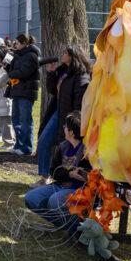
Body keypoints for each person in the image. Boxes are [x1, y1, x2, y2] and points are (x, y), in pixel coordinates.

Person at [23, 111, 89, 238]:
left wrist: (82, 173)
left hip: (78, 190)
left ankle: (78, 230)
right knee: (31, 198)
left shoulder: (87, 150)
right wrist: (69, 174)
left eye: (66, 126)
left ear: (71, 132)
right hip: (61, 185)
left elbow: (93, 174)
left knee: (55, 201)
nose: (63, 128)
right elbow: (54, 171)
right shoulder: (64, 147)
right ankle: (70, 226)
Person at [33, 46, 91, 187]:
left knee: (67, 147)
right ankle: (44, 176)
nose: (62, 54)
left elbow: (80, 102)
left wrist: (74, 122)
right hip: (58, 113)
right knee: (44, 141)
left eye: (65, 53)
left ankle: (67, 179)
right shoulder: (63, 72)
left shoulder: (81, 75)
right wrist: (51, 74)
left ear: (73, 56)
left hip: (69, 117)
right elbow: (52, 90)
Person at [7, 34, 41, 155]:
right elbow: (12, 70)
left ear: (24, 43)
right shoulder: (18, 55)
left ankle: (27, 147)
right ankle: (19, 144)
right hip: (17, 91)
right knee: (16, 119)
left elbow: (23, 72)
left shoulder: (31, 56)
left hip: (26, 93)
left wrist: (12, 73)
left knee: (25, 120)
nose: (15, 45)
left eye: (16, 43)